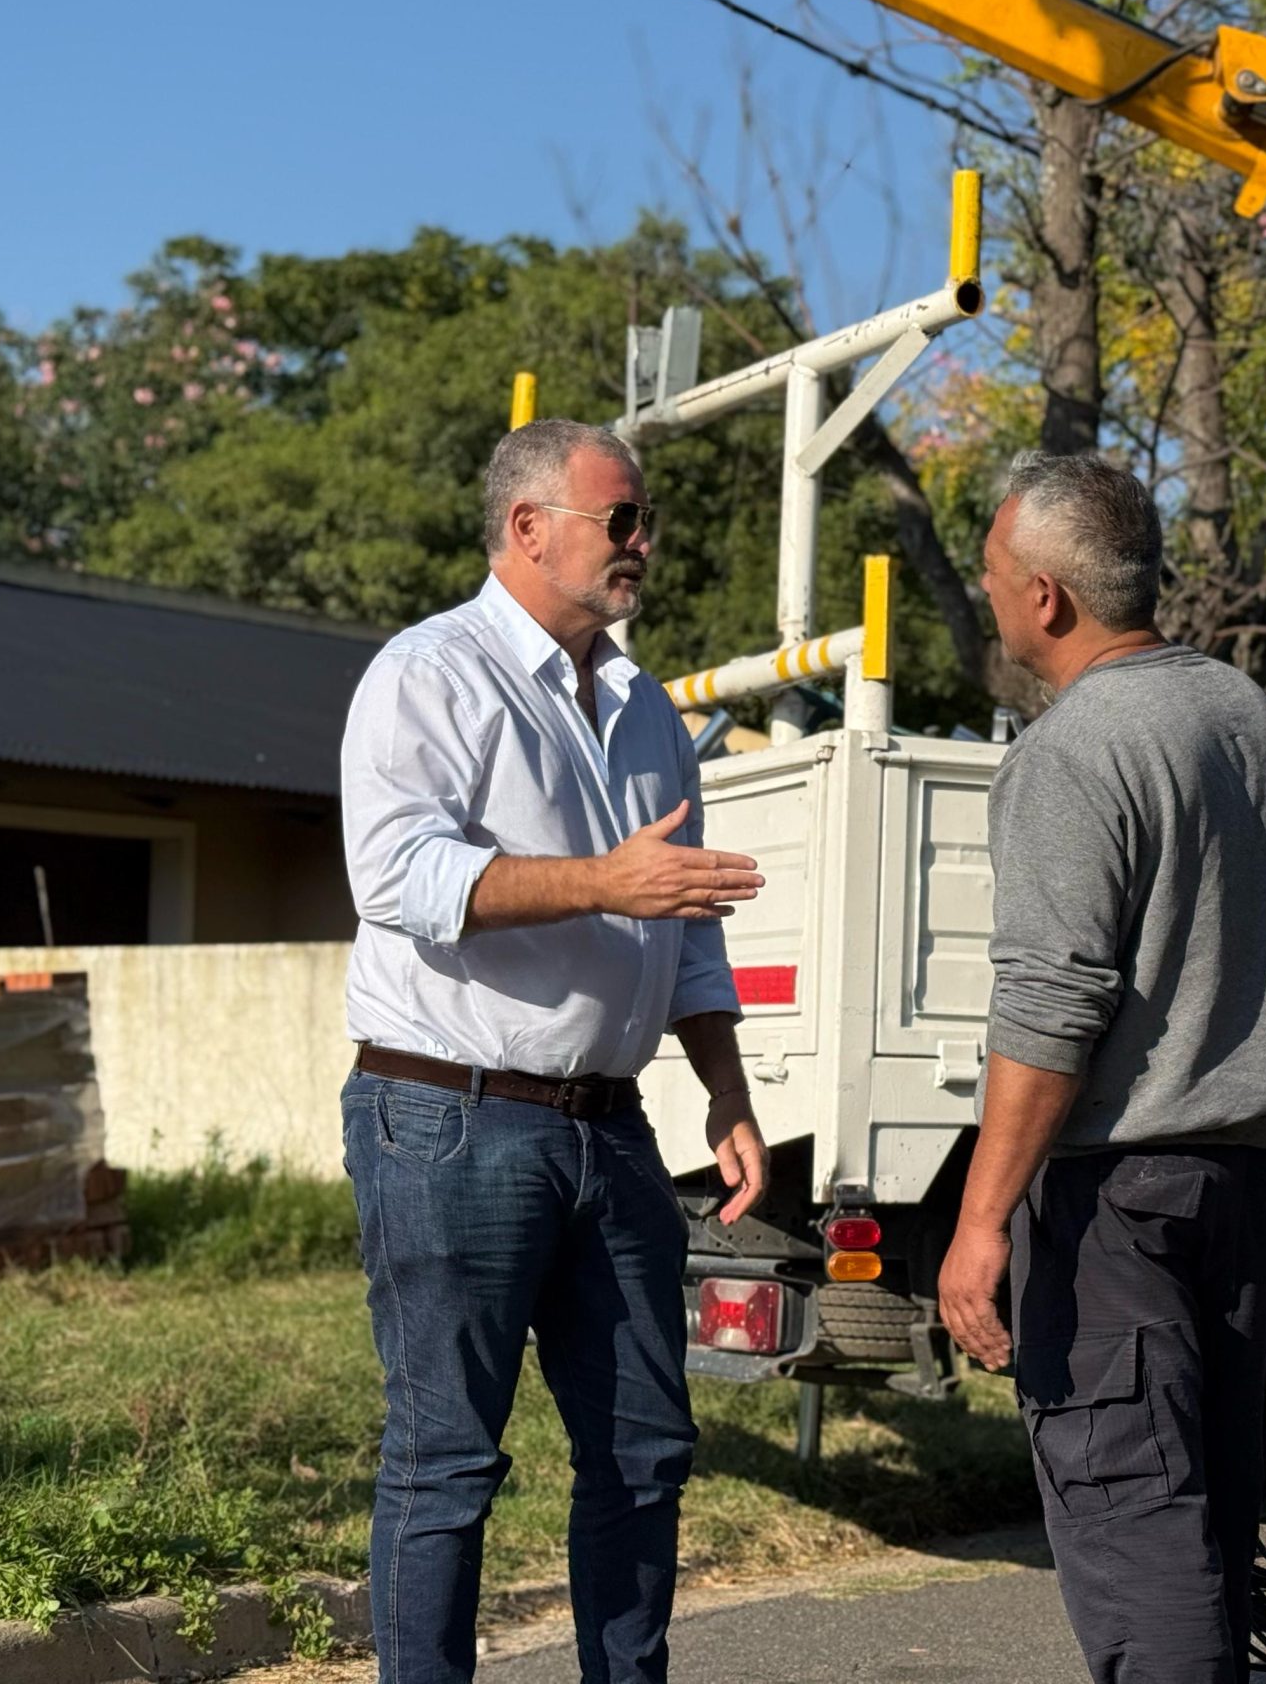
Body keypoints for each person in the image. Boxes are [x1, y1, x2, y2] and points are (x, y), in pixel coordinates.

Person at [339, 417, 769, 1684]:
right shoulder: (430, 673)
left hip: (610, 1124)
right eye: (619, 519)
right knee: (446, 1463)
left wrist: (726, 1087)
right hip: (449, 1116)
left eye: (645, 520)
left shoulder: (646, 707)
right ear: (529, 527)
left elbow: (683, 919)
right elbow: (396, 877)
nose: (643, 543)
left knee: (645, 1451)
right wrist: (600, 880)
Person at [937, 451, 1266, 1684]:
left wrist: (980, 1223)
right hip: (1244, 1187)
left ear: (1045, 597)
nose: (990, 595)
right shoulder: (1256, 721)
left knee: (1136, 1527)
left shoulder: (1074, 750)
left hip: (1121, 1202)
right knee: (1206, 1523)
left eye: (993, 574)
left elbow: (1051, 1011)